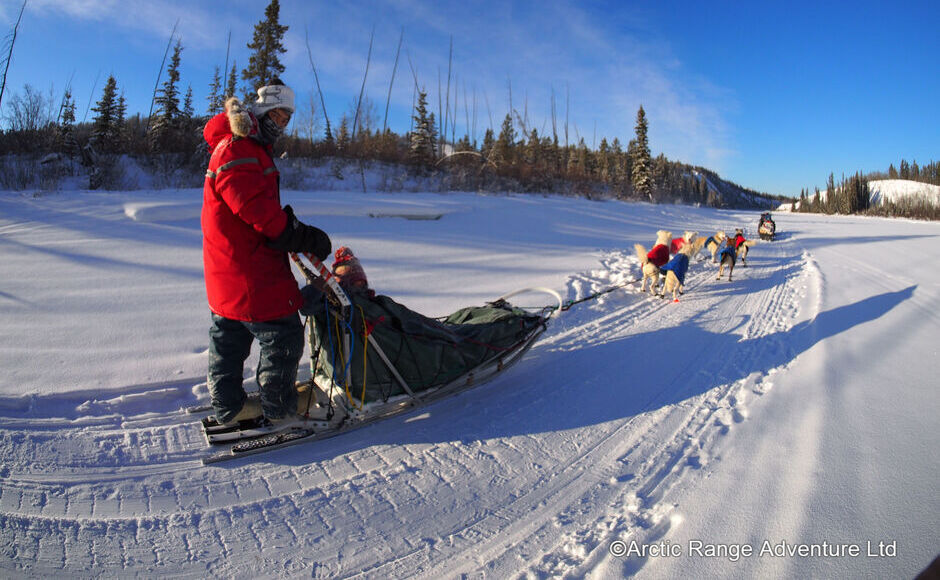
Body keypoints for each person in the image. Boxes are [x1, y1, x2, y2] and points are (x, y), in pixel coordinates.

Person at [201, 79, 331, 427]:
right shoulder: (239, 149)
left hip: (229, 267)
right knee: (283, 335)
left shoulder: (243, 146)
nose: (282, 124)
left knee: (229, 335)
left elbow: (253, 209)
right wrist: (299, 234)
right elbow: (258, 213)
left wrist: (286, 226)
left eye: (287, 118)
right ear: (260, 110)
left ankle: (227, 405)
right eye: (278, 115)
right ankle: (279, 407)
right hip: (249, 271)